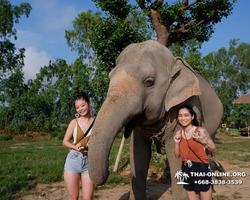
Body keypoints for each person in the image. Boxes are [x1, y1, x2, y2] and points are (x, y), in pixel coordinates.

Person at [174, 104, 216, 200]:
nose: (183, 118)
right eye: (180, 116)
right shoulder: (178, 134)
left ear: (192, 116)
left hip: (201, 169)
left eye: (186, 115)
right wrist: (176, 143)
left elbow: (213, 148)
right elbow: (177, 156)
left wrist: (203, 141)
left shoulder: (201, 131)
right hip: (187, 169)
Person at [63, 92, 95, 200]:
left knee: (88, 197)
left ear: (89, 104)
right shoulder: (74, 122)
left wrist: (93, 145)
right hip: (73, 160)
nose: (80, 109)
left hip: (89, 162)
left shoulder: (97, 123)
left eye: (83, 105)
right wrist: (74, 147)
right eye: (77, 107)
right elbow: (65, 142)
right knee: (73, 197)